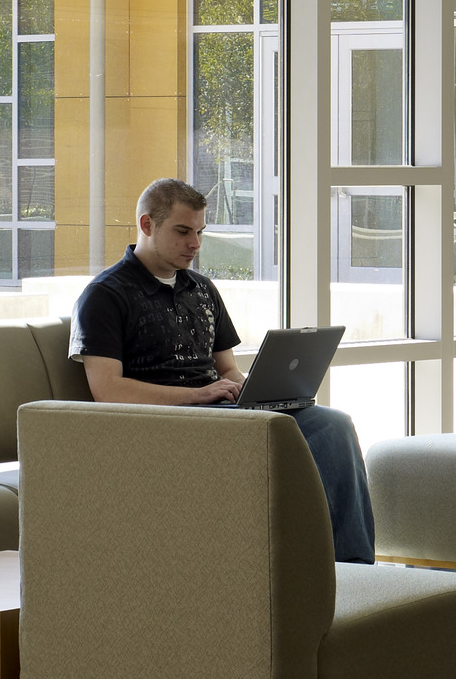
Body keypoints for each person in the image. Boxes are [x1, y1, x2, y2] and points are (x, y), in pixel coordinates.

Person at [70, 176, 378, 565]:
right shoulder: (105, 295)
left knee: (334, 425)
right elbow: (107, 390)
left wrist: (260, 389)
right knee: (284, 434)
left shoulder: (201, 289)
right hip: (161, 425)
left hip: (218, 412)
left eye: (199, 232)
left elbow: (227, 370)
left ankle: (352, 567)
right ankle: (307, 567)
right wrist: (197, 395)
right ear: (147, 225)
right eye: (182, 232)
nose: (195, 244)